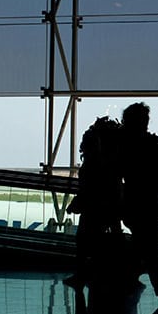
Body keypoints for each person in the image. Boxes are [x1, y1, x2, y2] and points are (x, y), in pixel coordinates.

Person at [119, 102, 158, 314]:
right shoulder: (154, 144)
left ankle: (156, 298)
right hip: (153, 203)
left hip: (135, 203)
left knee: (145, 252)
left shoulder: (124, 145)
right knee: (149, 251)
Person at [64, 117, 124, 301]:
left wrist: (77, 204)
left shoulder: (92, 165)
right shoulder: (110, 164)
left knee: (84, 241)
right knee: (103, 242)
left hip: (93, 211)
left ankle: (84, 275)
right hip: (108, 209)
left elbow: (88, 190)